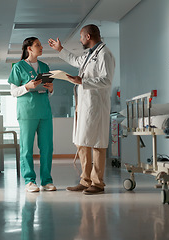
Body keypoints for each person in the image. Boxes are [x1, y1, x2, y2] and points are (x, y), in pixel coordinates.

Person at [48, 24, 115, 195]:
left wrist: (82, 82)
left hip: (97, 105)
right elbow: (74, 60)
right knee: (82, 141)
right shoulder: (89, 55)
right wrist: (60, 49)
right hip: (85, 105)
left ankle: (98, 183)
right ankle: (85, 181)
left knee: (98, 143)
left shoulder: (105, 54)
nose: (79, 40)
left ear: (88, 36)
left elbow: (106, 80)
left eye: (80, 36)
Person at [8, 37, 56, 192]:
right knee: (27, 148)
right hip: (27, 112)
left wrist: (50, 89)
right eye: (37, 45)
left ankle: (46, 181)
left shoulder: (45, 66)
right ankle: (29, 181)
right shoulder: (18, 67)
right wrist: (27, 87)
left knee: (47, 147)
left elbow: (48, 91)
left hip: (44, 112)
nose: (41, 47)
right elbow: (14, 92)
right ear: (29, 48)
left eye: (41, 45)